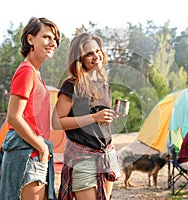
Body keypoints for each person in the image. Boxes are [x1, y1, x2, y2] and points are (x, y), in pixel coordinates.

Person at [0, 17, 60, 200]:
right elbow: (14, 117)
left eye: (55, 39)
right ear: (30, 39)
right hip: (27, 154)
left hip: (33, 152)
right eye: (47, 37)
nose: (52, 43)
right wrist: (42, 148)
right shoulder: (27, 71)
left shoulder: (35, 72)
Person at [53, 32, 119, 200]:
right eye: (89, 53)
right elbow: (56, 122)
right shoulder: (72, 85)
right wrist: (94, 117)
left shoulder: (103, 83)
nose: (96, 56)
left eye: (98, 51)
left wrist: (106, 117)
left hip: (106, 155)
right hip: (83, 159)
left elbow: (96, 118)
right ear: (79, 59)